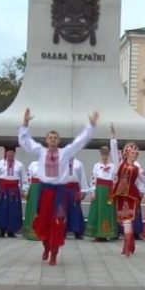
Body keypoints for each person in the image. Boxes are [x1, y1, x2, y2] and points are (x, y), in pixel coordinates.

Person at [18, 108, 98, 266]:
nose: (53, 140)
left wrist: (91, 126)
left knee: (57, 223)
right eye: (50, 137)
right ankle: (46, 246)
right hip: (45, 191)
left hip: (60, 193)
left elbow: (80, 141)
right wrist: (25, 123)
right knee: (42, 222)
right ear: (46, 140)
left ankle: (54, 253)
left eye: (55, 138)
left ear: (59, 140)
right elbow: (25, 142)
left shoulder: (65, 152)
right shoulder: (40, 151)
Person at [109, 123, 145, 257]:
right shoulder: (119, 163)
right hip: (119, 195)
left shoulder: (137, 168)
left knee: (128, 219)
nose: (135, 155)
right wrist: (113, 136)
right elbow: (113, 150)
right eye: (132, 153)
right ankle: (130, 243)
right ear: (127, 153)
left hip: (131, 195)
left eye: (136, 153)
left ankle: (127, 246)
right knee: (123, 220)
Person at [0, 146, 26, 238]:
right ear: (5, 153)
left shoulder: (20, 165)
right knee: (2, 209)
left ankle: (11, 230)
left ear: (14, 153)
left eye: (12, 153)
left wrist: (24, 189)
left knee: (14, 210)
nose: (10, 154)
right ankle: (2, 230)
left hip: (14, 190)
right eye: (8, 152)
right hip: (2, 190)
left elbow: (23, 178)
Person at [86, 145, 118, 241]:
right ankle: (97, 233)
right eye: (103, 154)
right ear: (100, 154)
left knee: (107, 211)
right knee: (97, 210)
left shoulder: (113, 166)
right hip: (99, 191)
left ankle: (107, 232)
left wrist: (113, 191)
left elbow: (115, 179)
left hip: (109, 191)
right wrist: (92, 191)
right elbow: (93, 179)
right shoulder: (96, 165)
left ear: (109, 154)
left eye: (106, 154)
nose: (104, 156)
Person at [63, 158, 87, 240]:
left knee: (75, 209)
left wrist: (83, 191)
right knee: (63, 209)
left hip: (74, 189)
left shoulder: (78, 163)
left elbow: (82, 177)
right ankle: (62, 231)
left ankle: (78, 232)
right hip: (63, 188)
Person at [23, 160, 41, 241]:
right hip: (34, 188)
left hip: (45, 188)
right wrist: (26, 189)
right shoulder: (33, 164)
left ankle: (43, 232)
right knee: (33, 208)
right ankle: (31, 231)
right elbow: (27, 177)